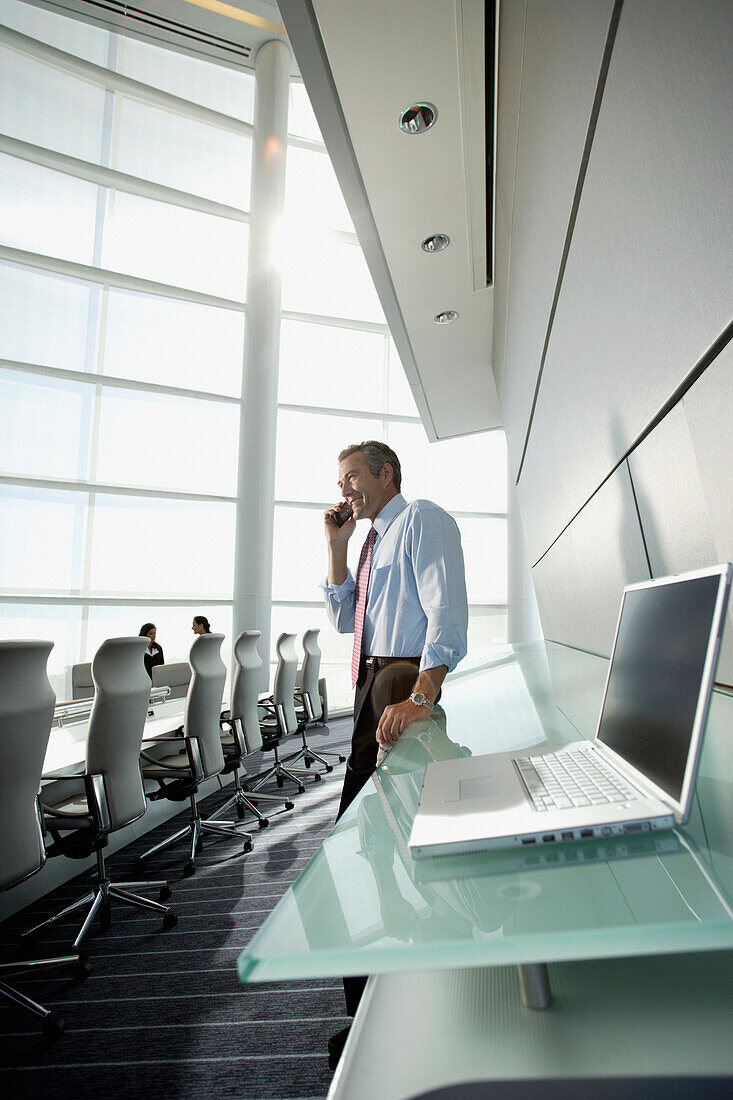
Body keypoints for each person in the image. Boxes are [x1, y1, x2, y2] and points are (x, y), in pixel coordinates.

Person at [322, 439, 468, 1064]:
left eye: (353, 476)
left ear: (387, 473)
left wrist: (423, 694)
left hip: (400, 692)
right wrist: (335, 547)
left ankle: (383, 1016)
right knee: (372, 845)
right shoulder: (370, 542)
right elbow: (342, 620)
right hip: (369, 691)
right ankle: (376, 1007)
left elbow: (446, 614)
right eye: (342, 480)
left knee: (384, 844)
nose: (346, 489)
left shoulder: (421, 521)